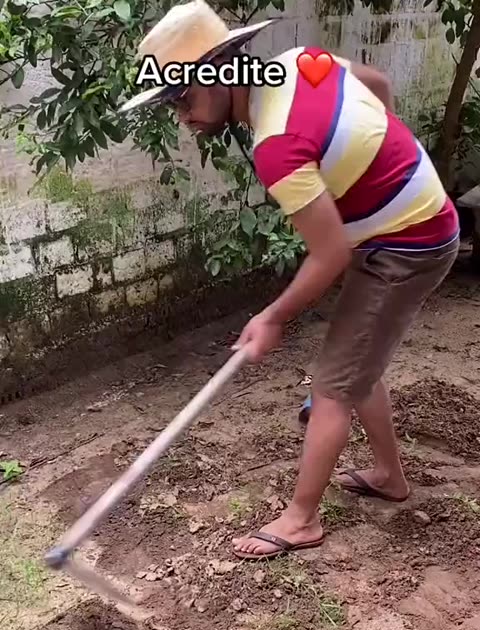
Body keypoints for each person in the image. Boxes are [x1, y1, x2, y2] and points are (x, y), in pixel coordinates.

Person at [121, 0, 460, 560]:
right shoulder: (300, 62)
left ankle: (301, 520)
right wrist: (377, 156)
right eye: (170, 102)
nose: (181, 114)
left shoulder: (277, 144)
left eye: (182, 95)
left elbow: (328, 254)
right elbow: (377, 83)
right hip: (403, 226)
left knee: (331, 386)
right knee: (355, 364)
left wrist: (273, 316)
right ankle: (388, 476)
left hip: (407, 244)